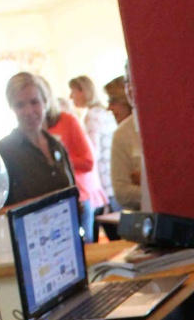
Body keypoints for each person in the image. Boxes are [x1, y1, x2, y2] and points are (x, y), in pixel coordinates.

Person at [42, 79, 107, 243]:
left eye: (35, 101)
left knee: (85, 244)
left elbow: (88, 161)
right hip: (50, 202)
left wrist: (56, 162)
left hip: (78, 194)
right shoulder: (27, 135)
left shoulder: (67, 121)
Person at [0, 72, 75, 207]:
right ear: (12, 108)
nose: (28, 111)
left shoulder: (56, 145)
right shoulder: (3, 152)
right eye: (20, 105)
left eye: (34, 102)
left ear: (45, 102)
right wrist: (36, 207)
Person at [69, 75, 117, 210]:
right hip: (112, 176)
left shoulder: (91, 116)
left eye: (73, 92)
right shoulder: (103, 112)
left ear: (83, 91)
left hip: (105, 181)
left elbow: (93, 153)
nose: (71, 97)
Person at [106, 71, 142, 211]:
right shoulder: (121, 135)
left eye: (113, 101)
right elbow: (122, 192)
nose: (108, 108)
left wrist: (143, 181)